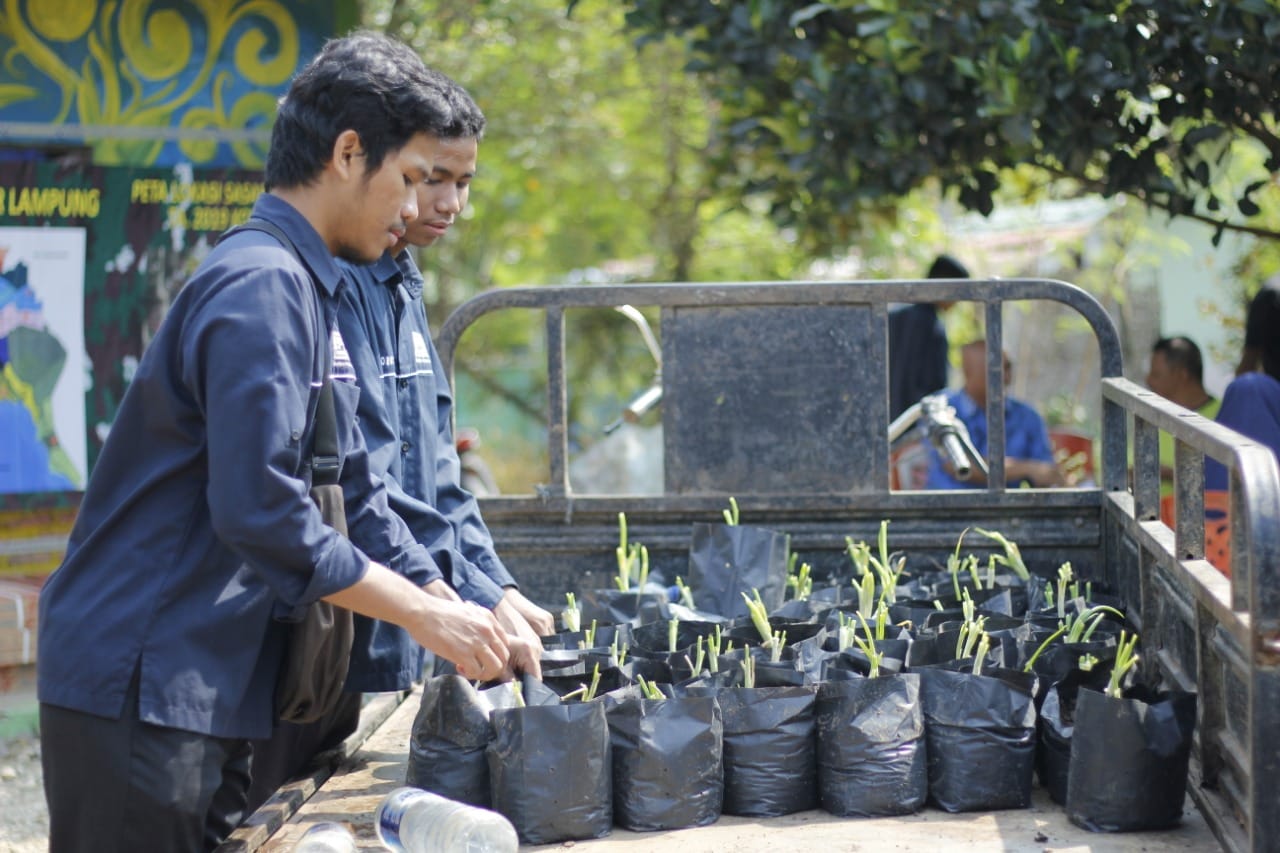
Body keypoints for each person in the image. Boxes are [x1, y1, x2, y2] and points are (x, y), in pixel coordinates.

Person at [36, 33, 522, 852]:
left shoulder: (309, 288)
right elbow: (261, 510)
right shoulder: (259, 286)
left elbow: (358, 496)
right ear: (345, 154)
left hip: (213, 682)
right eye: (408, 178)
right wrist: (422, 617)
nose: (415, 209)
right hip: (146, 678)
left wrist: (447, 599)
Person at [245, 70, 553, 811]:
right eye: (422, 176)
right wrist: (436, 602)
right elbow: (340, 491)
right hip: (298, 633)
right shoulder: (278, 283)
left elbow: (433, 476)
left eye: (458, 183)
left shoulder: (398, 281)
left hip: (366, 624)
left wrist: (484, 588)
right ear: (356, 157)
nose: (439, 203)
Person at [924, 340, 1065, 489]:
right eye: (996, 368)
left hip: (1008, 510)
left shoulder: (1028, 417)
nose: (1005, 376)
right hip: (950, 509)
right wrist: (1026, 468)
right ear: (968, 371)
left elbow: (1045, 473)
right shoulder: (941, 409)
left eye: (1008, 367)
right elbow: (960, 465)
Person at [1207, 281, 1280, 491]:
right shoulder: (1271, 293)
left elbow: (1248, 362)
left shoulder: (1272, 291)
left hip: (1270, 401)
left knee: (1246, 389)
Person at [888, 253, 968, 422]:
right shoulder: (933, 327)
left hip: (886, 421)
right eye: (958, 292)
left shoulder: (894, 316)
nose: (958, 301)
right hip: (915, 424)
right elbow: (935, 386)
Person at [1145, 336, 1220, 497]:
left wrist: (1170, 474)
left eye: (1156, 374)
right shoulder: (1150, 417)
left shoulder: (1224, 416)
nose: (1148, 380)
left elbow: (1226, 478)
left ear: (1182, 375)